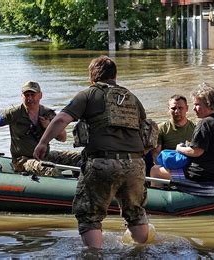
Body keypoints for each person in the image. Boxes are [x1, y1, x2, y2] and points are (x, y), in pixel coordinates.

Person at [33, 56, 151, 248]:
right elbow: (146, 133)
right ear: (115, 75)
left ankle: (95, 254)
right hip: (135, 165)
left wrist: (43, 142)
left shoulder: (89, 94)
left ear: (92, 77)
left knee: (89, 215)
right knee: (136, 213)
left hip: (103, 162)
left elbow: (62, 119)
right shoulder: (133, 99)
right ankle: (141, 251)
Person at [0, 81, 81, 177]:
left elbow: (63, 138)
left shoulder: (48, 113)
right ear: (22, 96)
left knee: (79, 157)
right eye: (26, 95)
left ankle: (80, 180)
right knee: (49, 169)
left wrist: (48, 126)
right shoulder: (13, 113)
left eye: (33, 94)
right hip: (22, 160)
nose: (30, 98)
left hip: (45, 156)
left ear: (40, 95)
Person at [150, 83, 214, 187]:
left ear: (208, 104)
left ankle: (160, 199)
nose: (194, 109)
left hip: (199, 175)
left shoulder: (204, 123)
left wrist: (179, 149)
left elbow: (196, 151)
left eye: (197, 104)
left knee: (155, 171)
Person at [151, 94, 196, 163]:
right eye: (173, 108)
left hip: (190, 166)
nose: (177, 111)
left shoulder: (195, 128)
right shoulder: (161, 128)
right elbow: (156, 154)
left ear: (187, 108)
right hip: (169, 165)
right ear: (168, 109)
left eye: (180, 108)